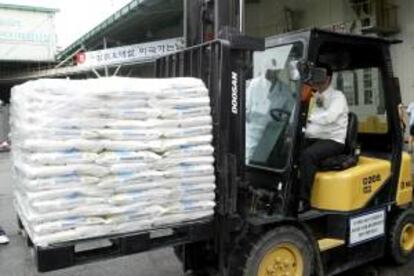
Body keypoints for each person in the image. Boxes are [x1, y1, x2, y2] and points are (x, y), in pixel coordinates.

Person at [299, 66, 349, 213]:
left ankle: (304, 200)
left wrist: (307, 117)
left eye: (318, 75)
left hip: (333, 140)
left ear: (328, 78)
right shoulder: (314, 96)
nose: (315, 79)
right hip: (314, 138)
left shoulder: (338, 97)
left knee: (308, 155)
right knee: (287, 148)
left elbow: (329, 117)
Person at [246, 58, 296, 161]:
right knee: (249, 159)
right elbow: (246, 107)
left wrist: (284, 120)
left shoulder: (285, 90)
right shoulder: (254, 84)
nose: (269, 72)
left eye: (273, 69)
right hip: (253, 130)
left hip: (272, 132)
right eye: (267, 69)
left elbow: (290, 111)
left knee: (269, 159)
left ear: (277, 71)